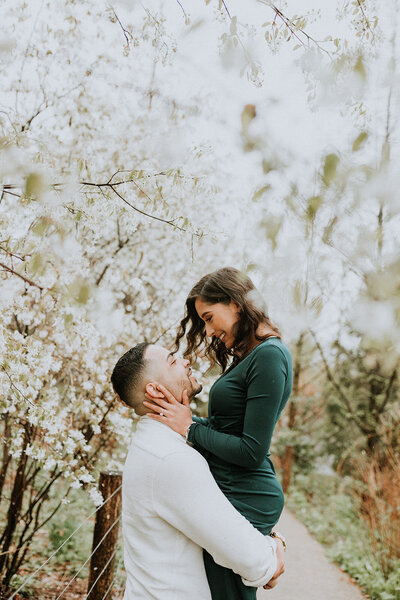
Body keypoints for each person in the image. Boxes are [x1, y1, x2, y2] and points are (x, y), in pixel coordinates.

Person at [143, 267, 293, 600]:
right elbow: (228, 428)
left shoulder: (269, 356)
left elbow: (251, 450)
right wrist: (185, 419)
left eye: (210, 318)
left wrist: (190, 427)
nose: (209, 331)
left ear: (236, 303)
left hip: (246, 492)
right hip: (230, 488)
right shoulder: (249, 356)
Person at [111, 342, 286, 600]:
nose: (185, 361)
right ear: (155, 390)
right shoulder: (171, 459)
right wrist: (277, 546)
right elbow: (255, 561)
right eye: (172, 361)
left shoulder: (154, 445)